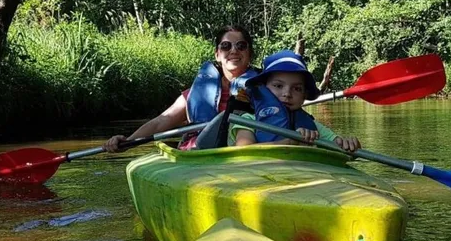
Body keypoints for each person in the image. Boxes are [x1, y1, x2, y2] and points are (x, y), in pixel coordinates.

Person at [104, 26, 256, 152]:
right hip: (199, 154)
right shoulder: (198, 93)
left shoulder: (269, 88)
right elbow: (163, 120)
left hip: (243, 154)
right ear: (217, 54)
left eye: (241, 46)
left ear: (250, 54)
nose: (234, 51)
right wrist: (128, 142)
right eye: (226, 46)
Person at [232, 50, 361, 153]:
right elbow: (243, 151)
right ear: (263, 88)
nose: (287, 94)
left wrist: (350, 146)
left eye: (297, 89)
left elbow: (340, 150)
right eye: (278, 86)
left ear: (304, 95)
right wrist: (290, 143)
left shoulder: (314, 127)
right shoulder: (247, 120)